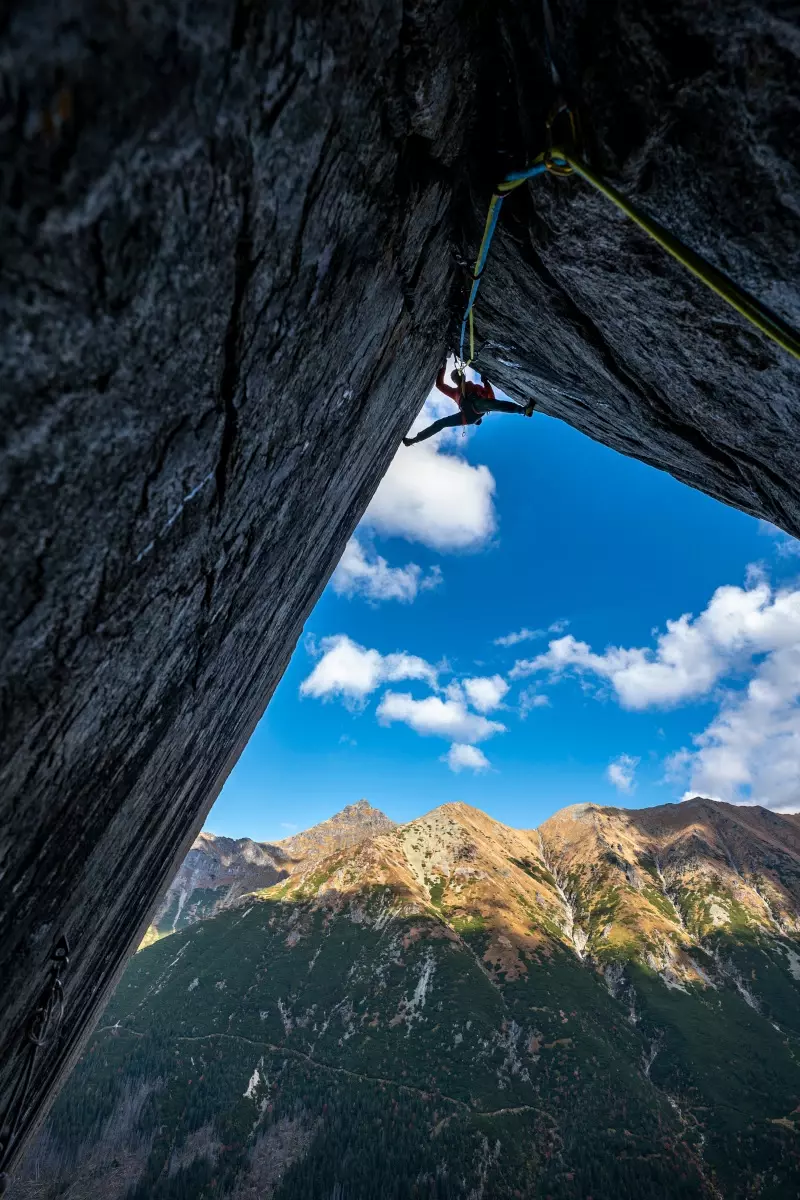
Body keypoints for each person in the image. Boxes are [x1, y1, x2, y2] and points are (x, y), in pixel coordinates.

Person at [402, 366, 535, 446]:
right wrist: (442, 368)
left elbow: (492, 400)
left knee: (488, 404)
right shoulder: (454, 392)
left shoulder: (473, 387)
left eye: (456, 376)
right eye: (454, 378)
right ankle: (414, 440)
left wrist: (486, 383)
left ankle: (524, 410)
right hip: (468, 414)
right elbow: (440, 385)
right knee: (440, 423)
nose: (456, 379)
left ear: (462, 376)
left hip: (476, 409)